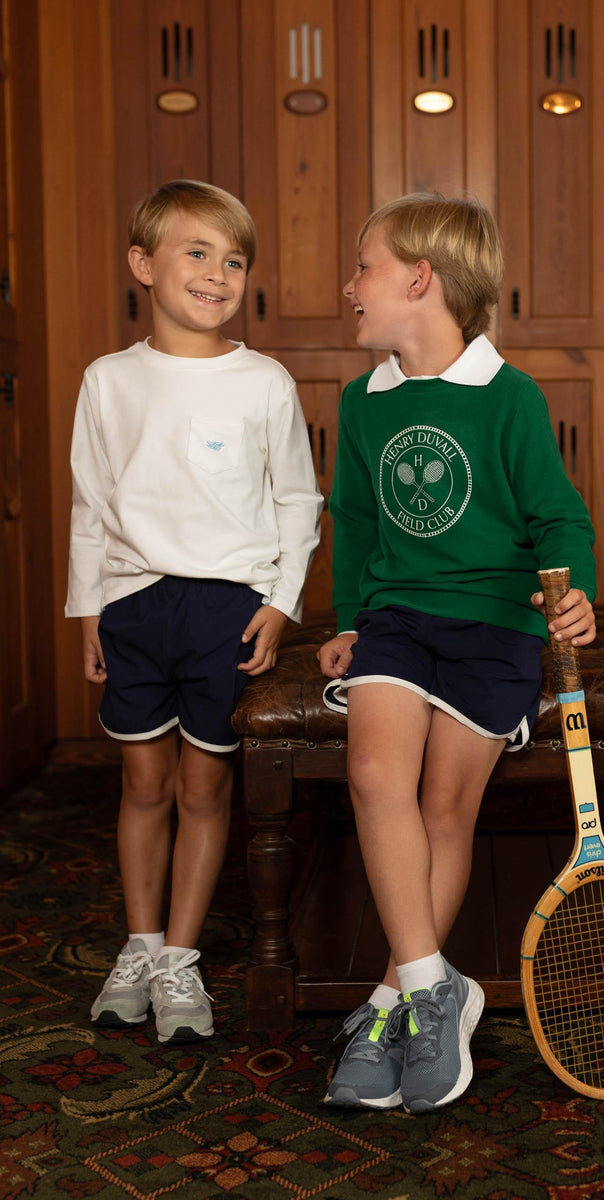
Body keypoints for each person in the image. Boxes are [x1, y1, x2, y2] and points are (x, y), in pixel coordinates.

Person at [317, 193, 596, 1113]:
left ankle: (394, 1001)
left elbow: (557, 515)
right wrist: (353, 616)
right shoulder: (363, 402)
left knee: (444, 806)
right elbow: (355, 521)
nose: (350, 286)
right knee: (372, 770)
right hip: (400, 621)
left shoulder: (508, 395)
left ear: (419, 280)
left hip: (494, 628)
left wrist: (577, 590)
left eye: (364, 267)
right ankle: (437, 988)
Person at [65, 180, 324, 1044]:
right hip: (135, 604)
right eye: (198, 252)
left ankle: (180, 959)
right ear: (143, 264)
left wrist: (281, 606)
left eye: (235, 259)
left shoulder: (264, 382)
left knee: (206, 788)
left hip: (228, 611)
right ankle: (138, 946)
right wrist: (89, 609)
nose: (218, 273)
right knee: (144, 785)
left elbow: (298, 501)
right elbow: (89, 506)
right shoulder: (108, 381)